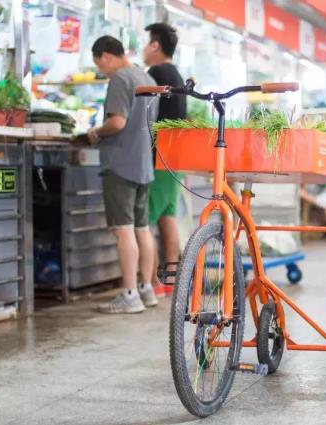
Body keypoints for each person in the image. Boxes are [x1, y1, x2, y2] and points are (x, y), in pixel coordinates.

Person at [87, 36, 158, 313]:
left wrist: (96, 131)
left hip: (120, 164)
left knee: (123, 230)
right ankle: (146, 289)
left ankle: (129, 295)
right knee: (143, 229)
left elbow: (117, 122)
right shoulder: (146, 78)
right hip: (143, 164)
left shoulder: (120, 79)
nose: (102, 71)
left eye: (99, 64)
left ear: (106, 56)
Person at [142, 23, 186, 297]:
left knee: (144, 220)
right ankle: (170, 281)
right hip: (175, 156)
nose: (144, 50)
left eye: (146, 43)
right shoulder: (176, 74)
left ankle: (152, 283)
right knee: (167, 216)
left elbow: (145, 114)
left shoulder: (156, 73)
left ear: (155, 45)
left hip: (158, 156)